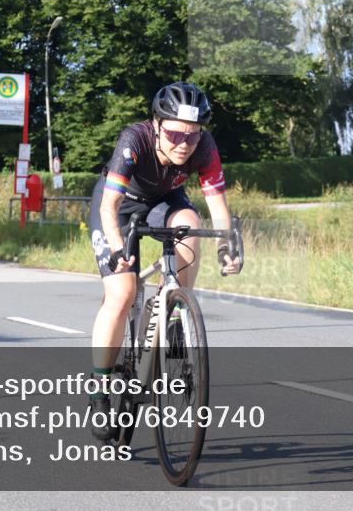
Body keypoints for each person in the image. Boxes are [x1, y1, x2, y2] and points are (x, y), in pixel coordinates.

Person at [87, 82, 242, 440]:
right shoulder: (134, 139)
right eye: (174, 133)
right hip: (120, 207)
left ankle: (174, 310)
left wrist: (225, 248)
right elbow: (109, 207)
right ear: (156, 125)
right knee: (123, 293)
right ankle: (98, 391)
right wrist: (117, 248)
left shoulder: (204, 146)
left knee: (191, 224)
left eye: (192, 135)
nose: (183, 144)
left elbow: (217, 202)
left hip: (165, 201)